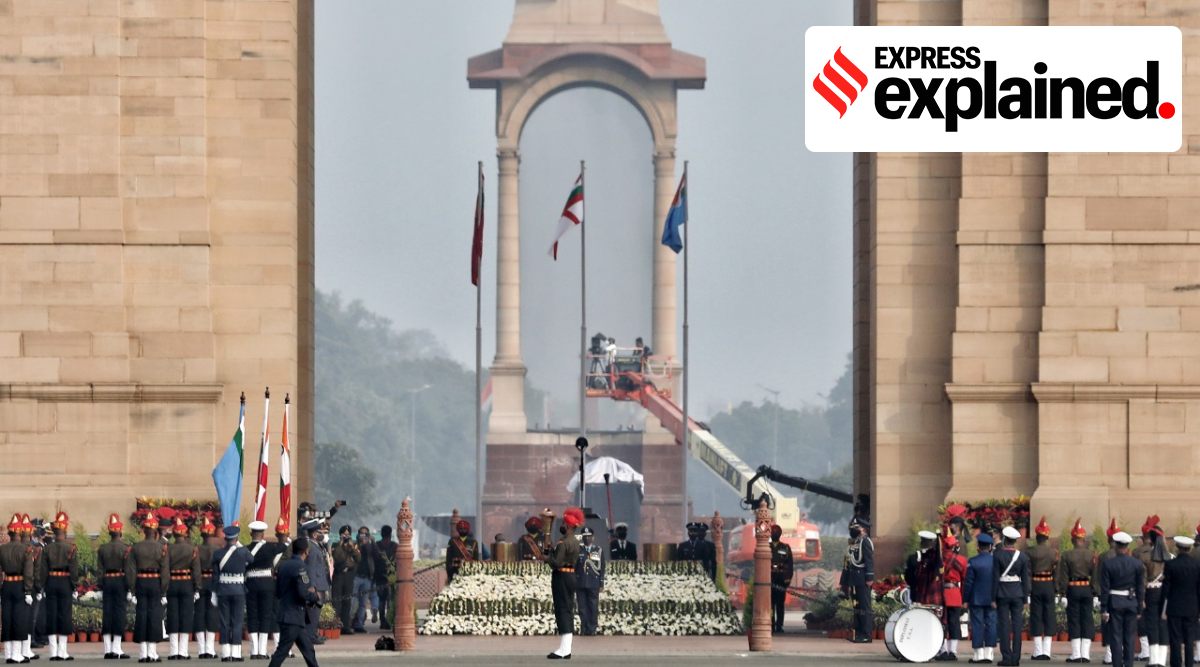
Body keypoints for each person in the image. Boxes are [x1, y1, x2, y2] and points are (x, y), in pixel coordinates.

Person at [265, 537, 318, 667]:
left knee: (308, 650)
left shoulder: (283, 565)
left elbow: (277, 591)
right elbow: (303, 592)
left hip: (289, 614)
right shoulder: (300, 567)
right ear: (305, 551)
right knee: (282, 651)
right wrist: (314, 597)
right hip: (293, 616)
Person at [1100, 531, 1146, 667]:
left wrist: (1104, 608)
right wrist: (1139, 608)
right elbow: (1140, 587)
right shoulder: (1137, 564)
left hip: (1114, 604)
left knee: (1115, 637)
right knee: (1130, 637)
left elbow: (1105, 589)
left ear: (1115, 545)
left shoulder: (1108, 564)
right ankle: (1129, 664)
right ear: (1127, 546)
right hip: (1131, 603)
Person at [37, 512, 77, 662]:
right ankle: (63, 651)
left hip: (51, 582)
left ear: (54, 532)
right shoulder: (71, 548)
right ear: (65, 531)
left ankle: (53, 652)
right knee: (65, 615)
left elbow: (42, 570)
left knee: (51, 615)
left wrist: (42, 586)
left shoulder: (47, 549)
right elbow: (73, 570)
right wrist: (74, 586)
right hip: (65, 582)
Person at [1056, 519, 1097, 664]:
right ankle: (1085, 654)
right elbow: (1095, 574)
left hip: (1073, 589)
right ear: (1083, 539)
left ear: (1073, 540)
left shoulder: (1067, 555)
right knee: (1087, 619)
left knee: (1074, 620)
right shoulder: (1091, 554)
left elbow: (1063, 576)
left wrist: (1062, 592)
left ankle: (1076, 654)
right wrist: (1095, 592)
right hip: (1086, 589)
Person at [130, 515, 168, 663]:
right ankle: (152, 653)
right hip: (155, 583)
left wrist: (132, 590)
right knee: (154, 616)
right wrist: (164, 590)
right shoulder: (161, 547)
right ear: (155, 531)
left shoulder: (136, 547)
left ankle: (142, 653)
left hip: (140, 582)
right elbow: (165, 571)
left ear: (144, 530)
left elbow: (131, 571)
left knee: (141, 615)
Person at [546, 507, 583, 660]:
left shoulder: (563, 542)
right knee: (566, 609)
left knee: (562, 610)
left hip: (561, 577)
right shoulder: (574, 541)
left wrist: (545, 558)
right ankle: (564, 647)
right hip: (570, 576)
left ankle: (565, 649)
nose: (562, 525)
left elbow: (556, 562)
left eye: (563, 523)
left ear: (568, 526)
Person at [212, 525, 252, 662]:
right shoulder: (243, 552)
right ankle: (235, 653)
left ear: (225, 538)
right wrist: (239, 544)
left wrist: (214, 593)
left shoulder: (218, 554)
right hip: (238, 590)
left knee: (224, 621)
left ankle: (225, 653)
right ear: (236, 538)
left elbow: (215, 576)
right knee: (237, 621)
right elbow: (251, 559)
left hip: (223, 590)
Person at [994, 526, 1031, 667]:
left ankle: (1006, 657)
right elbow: (1025, 580)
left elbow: (995, 578)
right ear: (1015, 541)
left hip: (1002, 593)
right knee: (1017, 626)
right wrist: (1026, 598)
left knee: (1004, 626)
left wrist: (993, 598)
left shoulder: (998, 555)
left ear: (1004, 539)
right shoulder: (1022, 556)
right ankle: (1016, 658)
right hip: (1017, 593)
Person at [98, 513, 132, 660]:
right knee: (119, 614)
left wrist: (100, 586)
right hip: (120, 582)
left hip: (107, 581)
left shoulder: (103, 548)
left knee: (107, 613)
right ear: (120, 531)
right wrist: (131, 588)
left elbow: (99, 570)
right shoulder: (125, 548)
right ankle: (117, 649)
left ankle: (107, 649)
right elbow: (129, 570)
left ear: (110, 532)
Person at [1162, 536, 1200, 667]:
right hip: (1192, 607)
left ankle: (1176, 664)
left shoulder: (1170, 565)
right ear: (1189, 548)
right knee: (1190, 639)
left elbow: (1166, 589)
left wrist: (1163, 608)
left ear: (1178, 548)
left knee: (1175, 639)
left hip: (1174, 607)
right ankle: (1189, 664)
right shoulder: (1196, 565)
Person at [1, 514, 35, 664]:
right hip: (20, 586)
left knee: (7, 618)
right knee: (19, 619)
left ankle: (8, 654)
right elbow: (28, 572)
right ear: (20, 533)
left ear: (9, 533)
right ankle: (16, 654)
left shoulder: (2, 549)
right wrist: (28, 591)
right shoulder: (25, 549)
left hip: (6, 585)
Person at [165, 518, 199, 661]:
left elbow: (165, 569)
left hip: (172, 583)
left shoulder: (168, 548)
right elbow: (196, 570)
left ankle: (173, 651)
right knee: (186, 616)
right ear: (184, 533)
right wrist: (197, 588)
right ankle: (183, 651)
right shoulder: (192, 548)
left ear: (174, 534)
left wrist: (164, 587)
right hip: (186, 584)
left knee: (172, 616)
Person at [1141, 516, 1173, 667]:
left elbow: (1143, 580)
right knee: (1164, 624)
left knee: (1152, 624)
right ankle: (1162, 659)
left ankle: (1153, 660)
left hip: (1151, 593)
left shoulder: (1146, 557)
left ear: (1151, 539)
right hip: (1167, 594)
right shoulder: (1171, 558)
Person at [245, 521, 278, 660]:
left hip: (251, 583)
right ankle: (262, 650)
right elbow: (285, 546)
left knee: (252, 615)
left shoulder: (245, 549)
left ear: (251, 534)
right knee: (265, 615)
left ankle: (254, 650)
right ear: (263, 534)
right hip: (266, 583)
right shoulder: (270, 548)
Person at [1028, 517, 1060, 661]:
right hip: (1048, 585)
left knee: (1036, 616)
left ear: (1037, 537)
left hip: (1035, 584)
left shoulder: (1029, 551)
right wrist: (1057, 589)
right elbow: (1057, 572)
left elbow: (1027, 572)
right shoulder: (1054, 552)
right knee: (1049, 616)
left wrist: (1027, 590)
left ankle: (1037, 650)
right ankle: (1047, 651)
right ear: (1046, 537)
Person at [965, 532, 998, 665]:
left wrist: (965, 599)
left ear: (978, 547)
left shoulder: (973, 561)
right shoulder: (996, 561)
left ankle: (978, 655)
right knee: (991, 624)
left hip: (976, 599)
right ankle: (989, 654)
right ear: (990, 547)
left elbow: (968, 583)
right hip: (992, 599)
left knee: (977, 624)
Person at [840, 516, 874, 644]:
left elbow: (869, 561)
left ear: (863, 529)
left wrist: (869, 578)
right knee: (857, 606)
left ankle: (866, 634)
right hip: (854, 579)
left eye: (856, 527)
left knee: (864, 607)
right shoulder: (855, 543)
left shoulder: (865, 542)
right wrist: (844, 582)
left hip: (862, 579)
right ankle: (859, 632)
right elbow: (848, 563)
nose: (853, 529)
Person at [937, 533, 969, 662]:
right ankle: (953, 651)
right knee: (954, 622)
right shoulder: (961, 560)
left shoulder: (940, 559)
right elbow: (964, 580)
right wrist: (963, 596)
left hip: (941, 593)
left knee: (942, 623)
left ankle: (943, 650)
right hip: (955, 593)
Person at [192, 517, 220, 661]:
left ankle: (202, 649)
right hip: (213, 583)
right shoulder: (217, 550)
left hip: (200, 582)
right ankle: (210, 648)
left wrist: (196, 586)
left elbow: (195, 569)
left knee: (199, 614)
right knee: (212, 615)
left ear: (202, 535)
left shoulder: (196, 548)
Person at [300, 521, 329, 647]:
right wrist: (312, 586)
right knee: (313, 611)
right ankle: (311, 636)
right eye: (319, 532)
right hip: (315, 583)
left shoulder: (315, 545)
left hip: (319, 581)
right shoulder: (311, 547)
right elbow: (310, 568)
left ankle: (313, 633)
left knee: (316, 611)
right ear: (314, 534)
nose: (321, 534)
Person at [574, 526, 605, 636]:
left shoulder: (598, 550)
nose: (587, 539)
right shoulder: (578, 550)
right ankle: (584, 627)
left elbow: (602, 568)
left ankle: (592, 628)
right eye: (585, 537)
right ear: (582, 538)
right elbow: (574, 567)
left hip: (593, 582)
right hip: (581, 582)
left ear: (593, 537)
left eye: (589, 536)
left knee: (593, 606)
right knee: (582, 607)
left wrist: (601, 583)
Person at [329, 526, 359, 636]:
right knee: (336, 601)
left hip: (349, 576)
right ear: (340, 534)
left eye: (348, 534)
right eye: (344, 534)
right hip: (338, 575)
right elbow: (337, 557)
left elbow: (358, 559)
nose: (346, 536)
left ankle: (346, 626)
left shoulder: (353, 544)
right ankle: (336, 625)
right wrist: (342, 544)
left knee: (347, 601)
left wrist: (352, 547)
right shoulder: (336, 545)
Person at [1100, 519, 1122, 665]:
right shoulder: (1128, 557)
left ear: (1109, 539)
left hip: (1109, 596)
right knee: (1123, 626)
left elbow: (1099, 579)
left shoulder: (1103, 557)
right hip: (1125, 597)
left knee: (1109, 626)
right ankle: (1122, 653)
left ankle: (1109, 655)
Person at [905, 530, 943, 606]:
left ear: (921, 542)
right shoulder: (936, 558)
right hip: (932, 597)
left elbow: (908, 578)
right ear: (932, 543)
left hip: (918, 596)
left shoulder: (913, 558)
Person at [769, 524, 794, 635]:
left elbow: (790, 565)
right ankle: (771, 625)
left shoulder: (785, 547)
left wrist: (787, 579)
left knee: (780, 604)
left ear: (780, 534)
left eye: (776, 532)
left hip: (780, 580)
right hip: (769, 580)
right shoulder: (766, 546)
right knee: (770, 604)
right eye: (773, 532)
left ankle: (779, 625)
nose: (774, 534)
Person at [351, 527, 375, 633]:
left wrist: (371, 542)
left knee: (363, 603)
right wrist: (360, 544)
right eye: (361, 534)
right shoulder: (354, 544)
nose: (363, 536)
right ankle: (349, 622)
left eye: (365, 534)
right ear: (358, 534)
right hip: (356, 576)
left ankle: (359, 624)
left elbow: (376, 554)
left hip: (367, 578)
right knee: (352, 601)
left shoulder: (370, 546)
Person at [372, 526, 396, 631]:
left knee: (381, 600)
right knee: (389, 601)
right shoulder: (395, 546)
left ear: (381, 534)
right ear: (390, 534)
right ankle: (388, 621)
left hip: (379, 576)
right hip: (391, 577)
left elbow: (374, 560)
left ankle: (383, 622)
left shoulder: (377, 545)